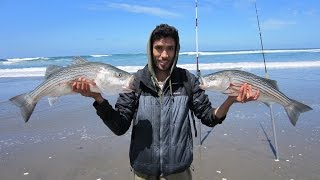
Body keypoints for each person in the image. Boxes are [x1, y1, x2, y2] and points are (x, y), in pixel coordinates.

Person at [72, 24, 259, 180]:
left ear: (176, 50)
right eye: (159, 48)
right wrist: (98, 99)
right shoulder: (135, 81)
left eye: (170, 48)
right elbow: (119, 126)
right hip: (142, 171)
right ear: (150, 49)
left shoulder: (188, 80)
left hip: (179, 171)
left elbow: (209, 117)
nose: (164, 55)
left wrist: (230, 100)